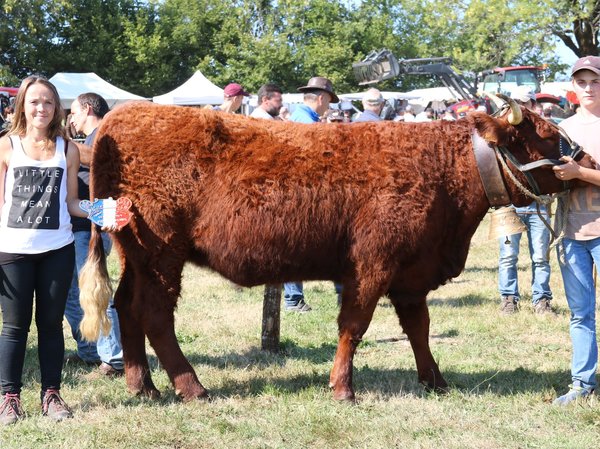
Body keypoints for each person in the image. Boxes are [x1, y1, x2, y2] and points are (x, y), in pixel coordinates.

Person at [0, 75, 88, 424]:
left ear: (57, 109)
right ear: (22, 104)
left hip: (57, 249)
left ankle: (51, 395)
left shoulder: (68, 149)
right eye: (34, 101)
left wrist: (105, 212)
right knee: (13, 327)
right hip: (12, 251)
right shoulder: (7, 145)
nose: (41, 107)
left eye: (48, 102)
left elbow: (73, 203)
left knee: (51, 325)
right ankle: (9, 398)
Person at [551, 56, 600, 405]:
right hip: (570, 232)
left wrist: (580, 174)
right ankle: (583, 384)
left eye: (594, 81)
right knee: (580, 313)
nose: (588, 88)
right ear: (573, 87)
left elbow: (577, 175)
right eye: (581, 82)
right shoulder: (561, 130)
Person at [67, 92, 124, 376]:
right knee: (72, 294)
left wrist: (97, 216)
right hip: (80, 227)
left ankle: (114, 356)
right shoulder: (91, 139)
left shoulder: (102, 137)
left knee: (96, 290)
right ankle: (91, 350)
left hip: (90, 230)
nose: (72, 119)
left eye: (75, 112)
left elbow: (114, 190)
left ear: (88, 109)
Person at [284, 76, 341, 312]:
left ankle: (296, 298)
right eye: (328, 101)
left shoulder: (303, 118)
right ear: (321, 98)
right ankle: (294, 299)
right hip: (304, 192)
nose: (328, 106)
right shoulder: (306, 122)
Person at [498, 86, 553, 315]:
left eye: (524, 102)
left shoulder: (546, 132)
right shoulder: (502, 133)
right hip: (509, 205)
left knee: (540, 256)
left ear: (533, 105)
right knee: (508, 256)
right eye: (515, 102)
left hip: (538, 204)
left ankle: (541, 300)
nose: (519, 107)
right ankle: (509, 298)